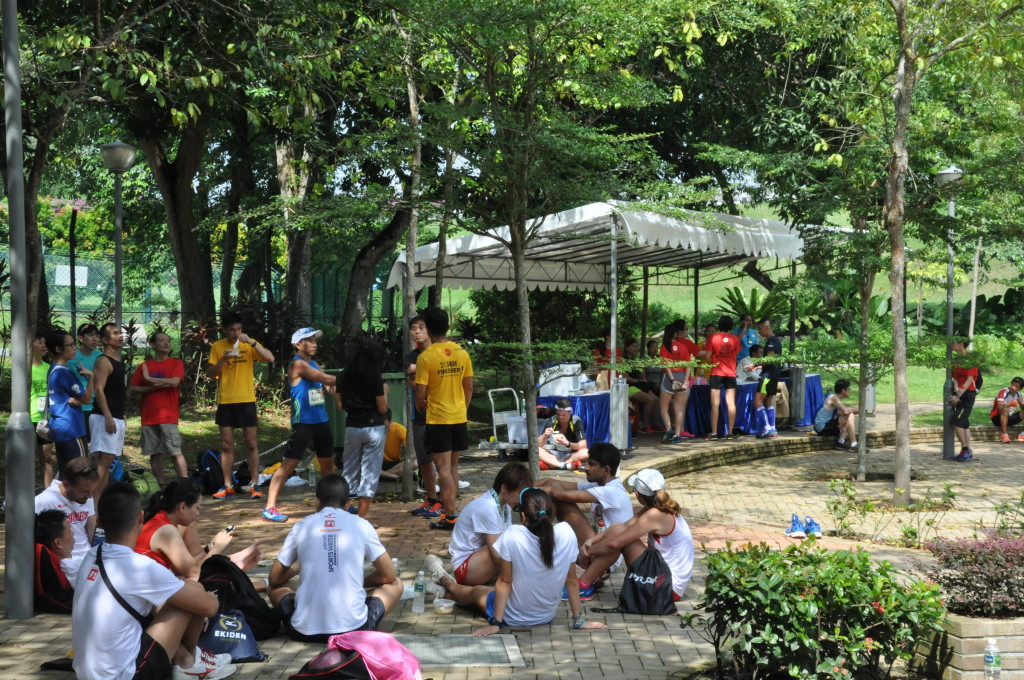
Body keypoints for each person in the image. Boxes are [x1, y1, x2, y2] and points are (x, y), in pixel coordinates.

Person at [72, 483, 235, 680]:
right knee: (192, 592)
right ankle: (188, 664)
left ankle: (187, 659)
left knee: (176, 594)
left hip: (86, 673)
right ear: (140, 517)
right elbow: (208, 607)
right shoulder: (140, 566)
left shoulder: (90, 556)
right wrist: (208, 596)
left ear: (99, 522)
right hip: (127, 675)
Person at [425, 487, 606, 636]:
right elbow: (572, 581)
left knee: (476, 592)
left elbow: (504, 581)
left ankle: (444, 581)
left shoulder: (514, 534)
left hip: (511, 616)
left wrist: (496, 623)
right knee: (482, 593)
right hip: (546, 616)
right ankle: (444, 590)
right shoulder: (566, 532)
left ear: (524, 516)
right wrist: (579, 621)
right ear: (551, 514)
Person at [267, 473, 402, 642]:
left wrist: (299, 566)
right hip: (354, 631)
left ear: (317, 502)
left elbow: (273, 579)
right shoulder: (361, 525)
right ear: (348, 504)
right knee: (395, 585)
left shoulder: (302, 526)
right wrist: (359, 583)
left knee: (274, 588)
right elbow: (389, 575)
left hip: (302, 632)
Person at [535, 442, 634, 598]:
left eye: (591, 464)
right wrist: (521, 486)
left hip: (606, 555)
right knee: (553, 488)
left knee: (561, 499)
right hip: (596, 543)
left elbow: (557, 492)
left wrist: (523, 492)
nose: (586, 467)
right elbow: (553, 483)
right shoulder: (598, 483)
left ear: (606, 470)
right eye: (587, 462)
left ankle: (538, 543)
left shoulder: (611, 491)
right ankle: (537, 543)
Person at [580, 468, 694, 603]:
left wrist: (586, 552)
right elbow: (622, 526)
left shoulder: (655, 515)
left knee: (617, 537)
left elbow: (614, 543)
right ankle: (587, 582)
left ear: (638, 494)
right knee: (617, 528)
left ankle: (582, 585)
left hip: (666, 589)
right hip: (664, 580)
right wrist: (591, 541)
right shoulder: (659, 508)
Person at [263, 328, 337, 522]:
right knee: (289, 465)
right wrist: (352, 380)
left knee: (327, 465)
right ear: (298, 345)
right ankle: (270, 507)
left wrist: (336, 390)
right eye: (309, 340)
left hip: (321, 420)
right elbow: (323, 378)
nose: (314, 344)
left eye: (315, 340)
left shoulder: (314, 364)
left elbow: (328, 385)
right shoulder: (297, 364)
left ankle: (328, 505)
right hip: (303, 422)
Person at [424, 462, 533, 587]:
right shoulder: (488, 508)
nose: (521, 500)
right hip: (464, 569)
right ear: (504, 488)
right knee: (504, 544)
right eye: (519, 493)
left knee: (511, 539)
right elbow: (497, 554)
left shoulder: (504, 506)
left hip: (477, 561)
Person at [415, 306, 474, 531]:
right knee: (454, 466)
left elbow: (420, 394)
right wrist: (462, 409)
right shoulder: (461, 352)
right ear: (448, 327)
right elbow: (468, 387)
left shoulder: (426, 357)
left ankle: (450, 516)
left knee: (444, 470)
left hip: (438, 419)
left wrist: (422, 406)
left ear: (428, 329)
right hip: (458, 417)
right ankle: (453, 512)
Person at [207, 311, 275, 499]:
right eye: (231, 330)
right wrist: (223, 359)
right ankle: (227, 485)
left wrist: (252, 343)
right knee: (227, 445)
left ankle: (255, 485)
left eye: (238, 329)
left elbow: (270, 358)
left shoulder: (249, 343)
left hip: (246, 400)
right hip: (226, 400)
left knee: (251, 443)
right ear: (224, 330)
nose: (236, 333)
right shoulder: (218, 346)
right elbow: (211, 374)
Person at [136, 478, 262, 579]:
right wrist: (217, 548)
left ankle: (231, 562)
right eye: (197, 508)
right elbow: (194, 575)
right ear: (183, 507)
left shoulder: (160, 517)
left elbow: (182, 567)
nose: (198, 513)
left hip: (154, 581)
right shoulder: (166, 530)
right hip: (148, 593)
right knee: (209, 595)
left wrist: (209, 549)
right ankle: (237, 568)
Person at [338, 337, 389, 518]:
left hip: (352, 427)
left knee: (349, 471)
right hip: (374, 427)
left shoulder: (343, 375)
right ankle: (361, 519)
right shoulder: (375, 377)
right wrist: (386, 393)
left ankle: (343, 517)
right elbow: (382, 407)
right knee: (370, 473)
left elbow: (340, 406)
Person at [129, 331, 187, 486]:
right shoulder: (144, 366)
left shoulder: (176, 363)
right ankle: (161, 486)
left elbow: (174, 382)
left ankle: (185, 484)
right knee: (154, 453)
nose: (166, 343)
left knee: (175, 451)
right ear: (153, 345)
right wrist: (151, 388)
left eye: (168, 341)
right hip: (149, 416)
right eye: (162, 341)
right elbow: (133, 388)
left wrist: (149, 379)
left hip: (168, 416)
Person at [34, 457, 99, 582]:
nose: (90, 496)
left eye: (92, 491)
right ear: (66, 484)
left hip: (89, 560)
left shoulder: (87, 496)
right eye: (85, 491)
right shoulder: (44, 501)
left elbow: (93, 532)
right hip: (66, 567)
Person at [406, 315, 442, 518]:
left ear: (430, 331)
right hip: (420, 416)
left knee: (444, 462)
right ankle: (432, 499)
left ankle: (446, 502)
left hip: (442, 415)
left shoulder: (440, 353)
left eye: (421, 327)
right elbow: (414, 384)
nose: (417, 331)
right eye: (413, 328)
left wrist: (419, 369)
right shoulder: (410, 357)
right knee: (424, 460)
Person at [44, 329, 93, 474]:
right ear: (58, 349)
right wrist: (92, 377)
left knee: (67, 472)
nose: (74, 348)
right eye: (70, 345)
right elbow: (86, 399)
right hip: (72, 429)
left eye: (74, 344)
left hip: (59, 427)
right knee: (81, 472)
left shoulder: (52, 369)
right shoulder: (63, 373)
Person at [90, 322, 128, 500]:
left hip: (116, 416)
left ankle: (99, 504)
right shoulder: (103, 361)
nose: (120, 335)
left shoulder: (118, 361)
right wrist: (108, 416)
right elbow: (98, 389)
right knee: (103, 462)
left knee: (109, 461)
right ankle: (93, 506)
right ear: (105, 340)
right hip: (104, 417)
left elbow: (116, 391)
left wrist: (121, 415)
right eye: (115, 333)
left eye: (120, 332)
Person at [701, 315, 740, 440]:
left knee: (715, 403)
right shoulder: (735, 338)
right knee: (731, 403)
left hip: (716, 373)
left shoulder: (713, 337)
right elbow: (736, 355)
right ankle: (729, 433)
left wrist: (714, 362)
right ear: (731, 326)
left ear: (719, 325)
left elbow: (707, 356)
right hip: (730, 373)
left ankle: (713, 433)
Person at [658, 322, 694, 444]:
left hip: (669, 378)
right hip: (681, 376)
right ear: (675, 333)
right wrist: (685, 381)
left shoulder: (664, 347)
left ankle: (669, 429)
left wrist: (672, 380)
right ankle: (677, 435)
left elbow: (666, 365)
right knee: (679, 408)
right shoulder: (683, 346)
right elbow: (689, 364)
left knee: (663, 407)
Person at [35, 509, 76, 614]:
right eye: (69, 530)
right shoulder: (70, 567)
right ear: (58, 542)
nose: (73, 533)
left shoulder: (67, 564)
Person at [538, 398, 589, 470]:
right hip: (555, 454)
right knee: (536, 450)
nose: (560, 417)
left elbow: (583, 445)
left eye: (563, 415)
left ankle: (553, 464)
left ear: (569, 412)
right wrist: (544, 435)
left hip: (571, 455)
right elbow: (538, 445)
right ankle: (563, 465)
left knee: (586, 452)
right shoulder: (552, 420)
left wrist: (567, 443)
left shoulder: (575, 421)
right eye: (558, 414)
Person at [32, 329, 55, 486]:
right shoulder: (23, 369)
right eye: (39, 342)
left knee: (46, 457)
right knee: (24, 458)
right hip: (28, 419)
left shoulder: (49, 368)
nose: (43, 346)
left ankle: (49, 492)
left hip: (45, 419)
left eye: (44, 343)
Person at [754, 319, 784, 437]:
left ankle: (766, 428)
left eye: (760, 329)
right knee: (768, 402)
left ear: (766, 327)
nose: (759, 332)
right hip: (774, 375)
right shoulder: (776, 340)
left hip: (768, 376)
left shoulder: (772, 341)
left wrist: (755, 364)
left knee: (757, 401)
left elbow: (769, 359)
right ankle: (773, 428)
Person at [949, 341, 978, 462]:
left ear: (961, 344)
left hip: (967, 394)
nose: (951, 345)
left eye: (954, 343)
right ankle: (967, 452)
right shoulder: (956, 360)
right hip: (960, 393)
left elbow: (969, 380)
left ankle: (965, 449)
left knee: (956, 422)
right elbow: (955, 377)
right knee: (964, 423)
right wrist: (956, 388)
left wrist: (958, 395)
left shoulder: (969, 360)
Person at [66, 322, 101, 423]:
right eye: (90, 335)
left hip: (98, 406)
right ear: (81, 338)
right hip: (79, 406)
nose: (95, 339)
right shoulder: (71, 358)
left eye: (97, 336)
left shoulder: (101, 357)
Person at [624, 338, 659, 433]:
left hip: (638, 385)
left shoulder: (635, 360)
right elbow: (626, 377)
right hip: (629, 387)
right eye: (633, 346)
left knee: (656, 400)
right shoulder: (624, 360)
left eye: (636, 346)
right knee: (650, 400)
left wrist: (641, 380)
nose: (635, 348)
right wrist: (638, 380)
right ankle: (645, 425)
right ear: (627, 348)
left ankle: (656, 424)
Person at [813, 378, 859, 451]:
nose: (850, 390)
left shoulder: (834, 399)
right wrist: (860, 409)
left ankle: (841, 443)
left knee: (849, 416)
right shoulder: (833, 398)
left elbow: (841, 413)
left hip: (825, 427)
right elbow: (845, 411)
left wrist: (860, 410)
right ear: (843, 390)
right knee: (849, 415)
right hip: (822, 428)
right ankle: (853, 444)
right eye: (849, 388)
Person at [991, 376, 1024, 443]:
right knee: (1005, 410)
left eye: (1016, 386)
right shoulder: (1003, 391)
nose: (1013, 387)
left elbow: (1022, 409)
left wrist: (1020, 403)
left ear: (1020, 389)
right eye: (1012, 384)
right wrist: (1010, 404)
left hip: (1009, 417)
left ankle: (1022, 435)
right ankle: (1004, 435)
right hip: (997, 417)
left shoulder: (1019, 394)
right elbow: (1000, 406)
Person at [378, 410, 408, 482]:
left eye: (384, 425)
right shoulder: (374, 431)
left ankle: (384, 475)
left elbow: (411, 452)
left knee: (415, 462)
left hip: (396, 465)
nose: (381, 427)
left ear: (390, 422)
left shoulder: (400, 429)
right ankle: (394, 476)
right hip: (380, 464)